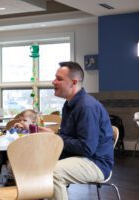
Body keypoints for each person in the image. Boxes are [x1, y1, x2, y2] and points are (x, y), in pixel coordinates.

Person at [40, 61, 114, 200]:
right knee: (32, 162)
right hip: (80, 157)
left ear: (74, 82)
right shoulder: (69, 104)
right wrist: (53, 137)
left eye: (59, 79)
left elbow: (86, 148)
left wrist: (56, 137)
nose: (53, 81)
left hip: (96, 163)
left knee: (54, 172)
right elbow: (68, 138)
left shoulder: (86, 107)